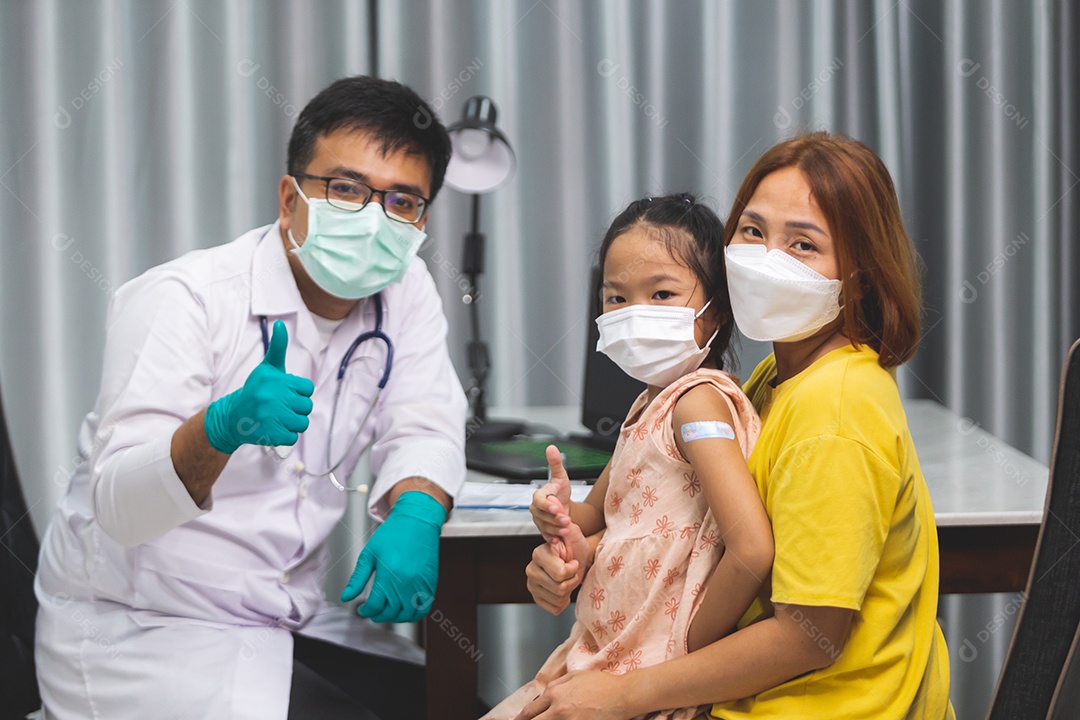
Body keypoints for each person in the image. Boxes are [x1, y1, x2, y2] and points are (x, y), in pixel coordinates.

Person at [34, 75, 467, 720]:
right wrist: (220, 428)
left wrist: (418, 511)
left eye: (401, 200)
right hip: (145, 626)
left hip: (280, 614)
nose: (373, 218)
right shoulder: (185, 299)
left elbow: (426, 420)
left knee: (464, 703)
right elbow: (120, 507)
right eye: (346, 189)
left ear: (421, 220)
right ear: (290, 198)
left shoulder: (406, 291)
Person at [517, 133, 955, 719]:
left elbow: (807, 636)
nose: (767, 258)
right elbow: (685, 528)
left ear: (860, 275)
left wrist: (627, 690)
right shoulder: (776, 376)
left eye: (803, 244)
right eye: (752, 231)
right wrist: (584, 555)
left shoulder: (835, 411)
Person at [486, 194, 773, 720]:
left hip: (647, 676)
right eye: (616, 298)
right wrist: (556, 512)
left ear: (716, 310)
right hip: (604, 657)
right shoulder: (650, 405)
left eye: (662, 293)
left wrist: (687, 648)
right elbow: (598, 514)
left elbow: (752, 549)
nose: (636, 312)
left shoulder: (696, 405)